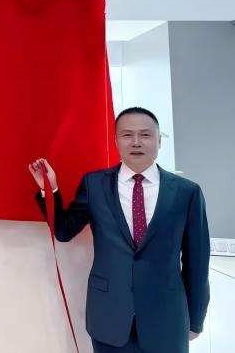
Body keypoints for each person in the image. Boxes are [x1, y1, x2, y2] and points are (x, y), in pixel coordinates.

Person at [29, 107, 209, 353]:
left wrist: (196, 319)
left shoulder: (187, 192)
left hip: (167, 318)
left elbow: (197, 262)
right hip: (108, 317)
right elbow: (64, 231)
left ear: (159, 140)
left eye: (145, 134)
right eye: (127, 135)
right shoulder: (94, 184)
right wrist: (49, 190)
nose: (136, 142)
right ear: (115, 140)